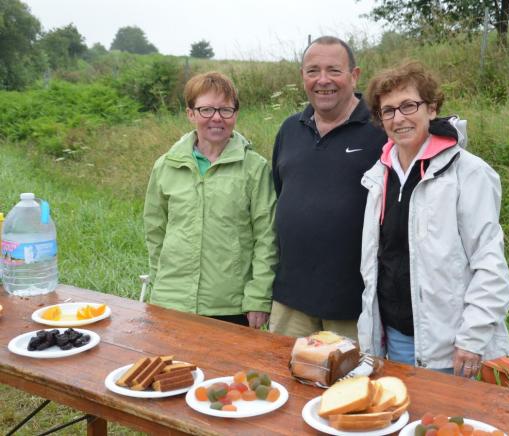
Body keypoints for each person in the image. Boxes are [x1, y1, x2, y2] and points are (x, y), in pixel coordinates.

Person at [357, 61, 509, 378]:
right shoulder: (380, 176)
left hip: (453, 347)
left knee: (447, 427)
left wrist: (472, 339)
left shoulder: (467, 173)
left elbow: (490, 263)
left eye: (408, 105)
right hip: (397, 339)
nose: (399, 118)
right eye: (388, 110)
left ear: (431, 108)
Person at [270, 36, 387, 340]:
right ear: (302, 77)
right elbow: (280, 193)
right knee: (283, 380)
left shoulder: (380, 132)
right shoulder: (289, 130)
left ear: (354, 75)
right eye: (313, 71)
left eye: (334, 70)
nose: (323, 80)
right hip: (290, 300)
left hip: (352, 305)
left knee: (348, 386)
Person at [143, 71, 277, 329]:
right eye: (206, 110)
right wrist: (161, 286)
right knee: (173, 369)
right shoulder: (166, 166)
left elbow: (267, 237)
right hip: (172, 301)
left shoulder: (254, 168)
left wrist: (259, 297)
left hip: (230, 305)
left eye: (225, 110)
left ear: (235, 114)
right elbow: (155, 232)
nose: (216, 118)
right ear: (190, 114)